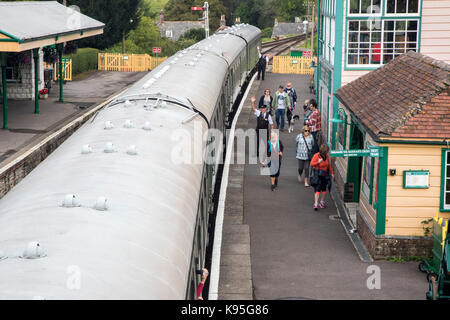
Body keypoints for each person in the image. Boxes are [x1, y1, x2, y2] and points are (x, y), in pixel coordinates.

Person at [310, 144, 334, 211]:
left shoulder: (327, 156)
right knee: (317, 189)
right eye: (324, 152)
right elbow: (311, 164)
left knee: (323, 189)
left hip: (324, 174)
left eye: (326, 152)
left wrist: (331, 173)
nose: (325, 153)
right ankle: (316, 203)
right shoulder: (316, 155)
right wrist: (318, 162)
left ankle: (322, 201)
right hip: (317, 174)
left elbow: (329, 165)